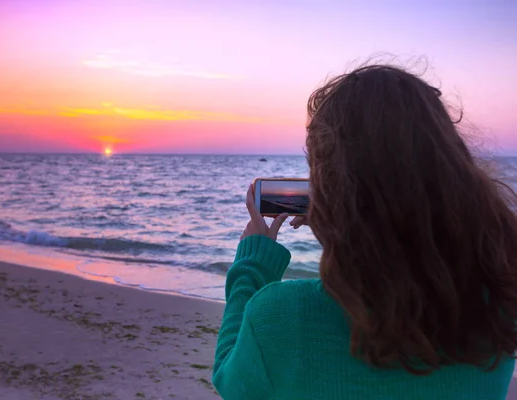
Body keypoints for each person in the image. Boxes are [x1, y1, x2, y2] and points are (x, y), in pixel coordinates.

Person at [212, 64, 517, 399]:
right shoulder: (500, 307)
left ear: (327, 185)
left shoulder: (283, 316)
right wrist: (348, 224)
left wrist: (253, 265)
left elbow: (232, 383)